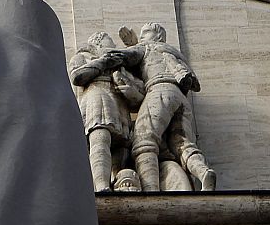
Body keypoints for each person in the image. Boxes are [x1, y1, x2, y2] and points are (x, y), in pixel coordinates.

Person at [109, 23, 216, 193]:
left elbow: (123, 57)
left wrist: (106, 57)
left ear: (157, 36)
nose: (142, 36)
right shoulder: (173, 53)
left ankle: (151, 191)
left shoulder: (148, 47)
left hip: (159, 91)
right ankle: (204, 173)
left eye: (146, 33)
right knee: (181, 143)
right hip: (180, 97)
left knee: (144, 142)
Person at [68, 30, 143, 193]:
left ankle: (117, 184)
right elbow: (77, 76)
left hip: (119, 102)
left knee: (122, 146)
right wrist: (102, 62)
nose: (113, 46)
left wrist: (129, 89)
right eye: (109, 41)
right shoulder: (83, 56)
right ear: (98, 42)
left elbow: (139, 93)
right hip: (97, 95)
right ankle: (101, 185)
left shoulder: (120, 63)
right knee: (100, 137)